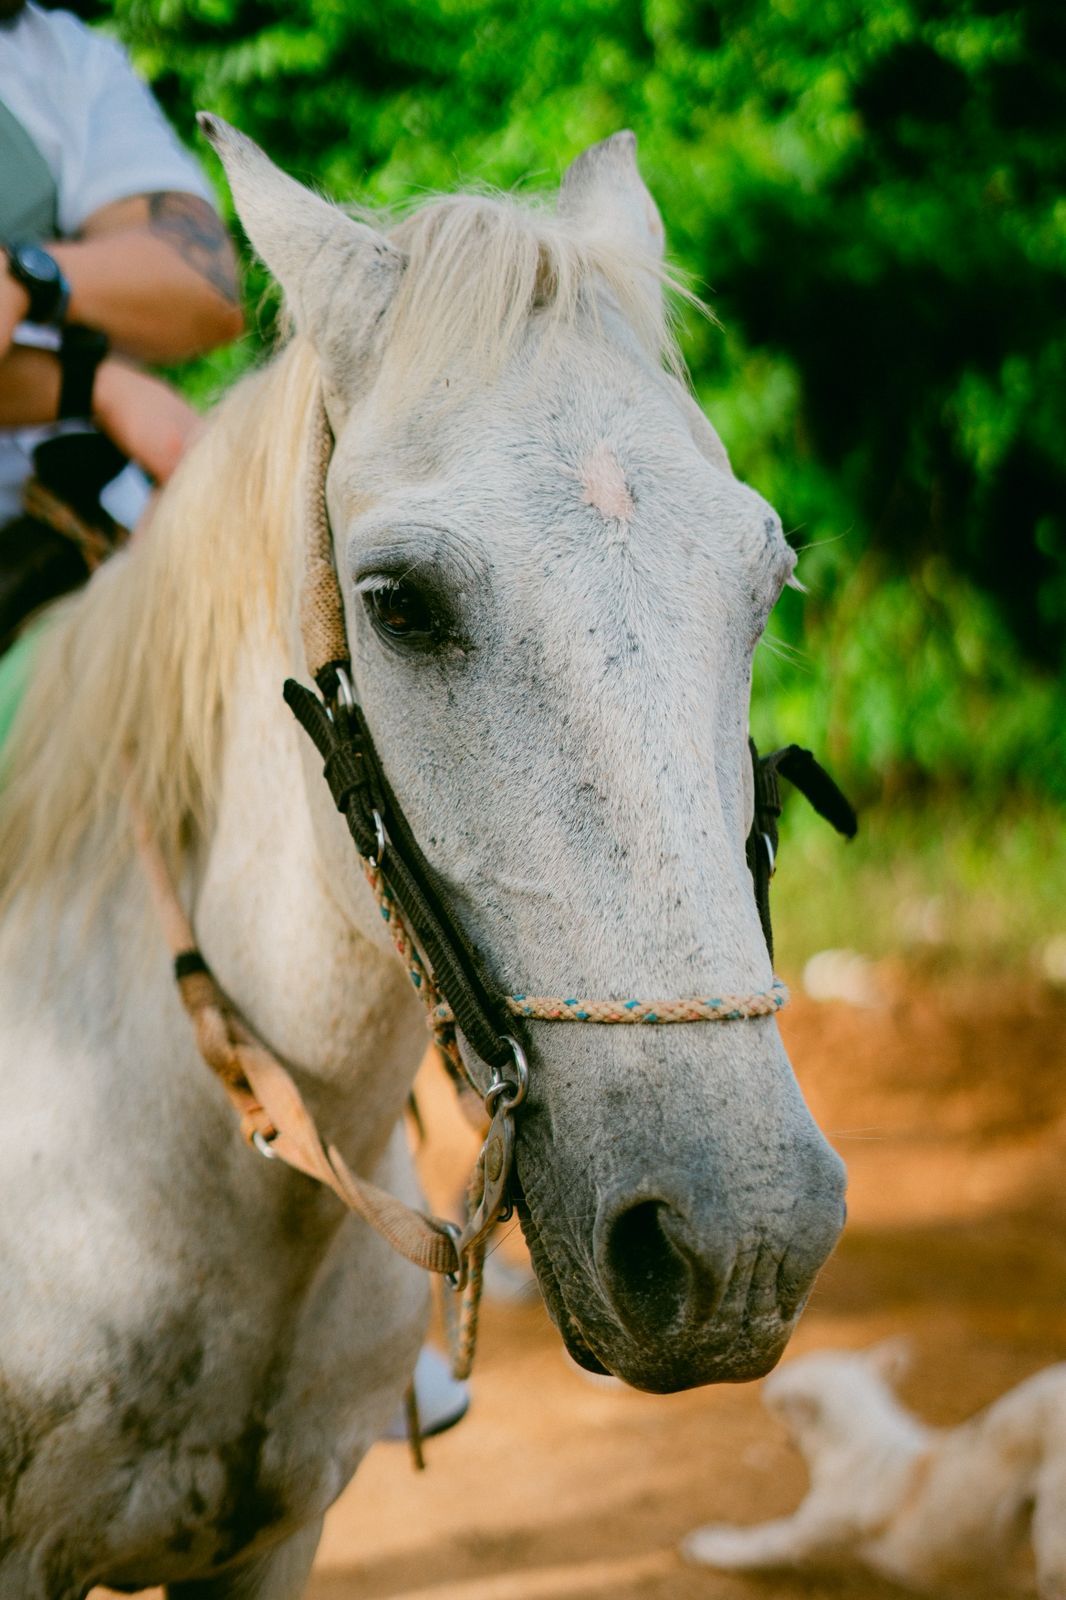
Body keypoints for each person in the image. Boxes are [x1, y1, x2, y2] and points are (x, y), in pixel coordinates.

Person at [0, 0, 243, 652]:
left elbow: (204, 284)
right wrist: (93, 386)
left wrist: (24, 278)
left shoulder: (63, 57)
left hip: (81, 547)